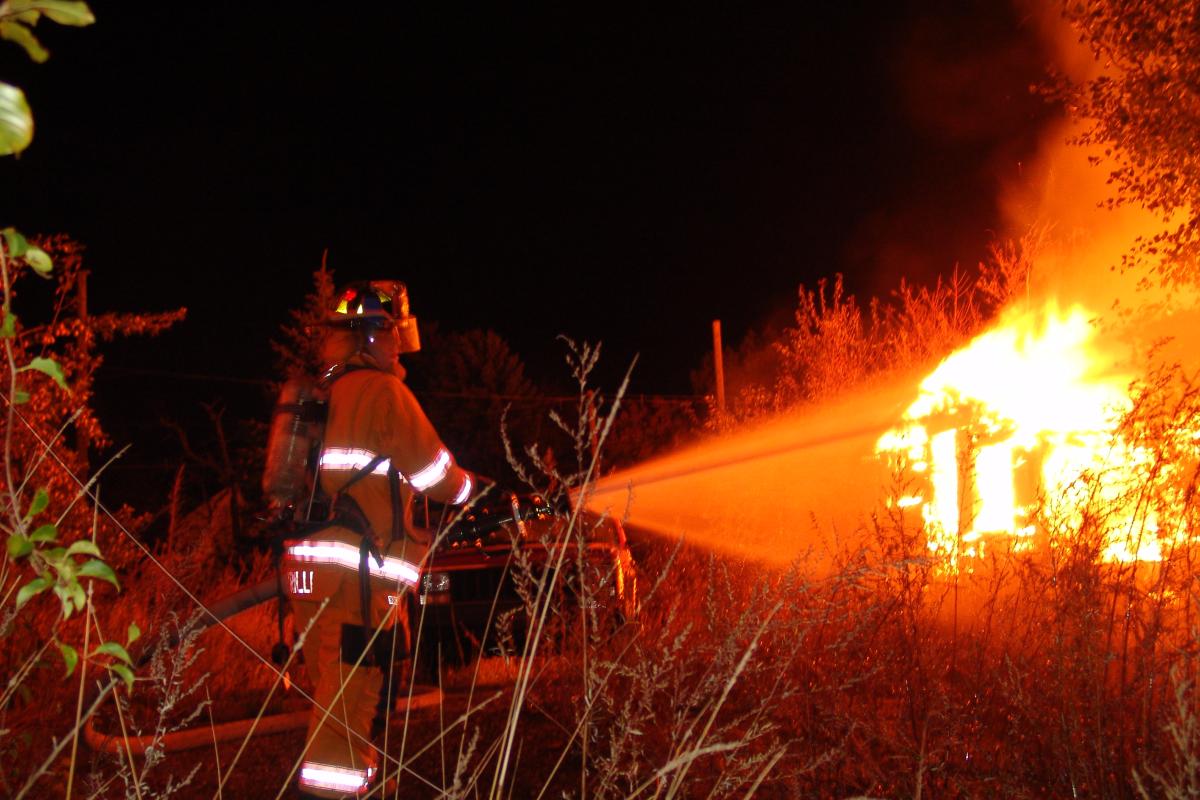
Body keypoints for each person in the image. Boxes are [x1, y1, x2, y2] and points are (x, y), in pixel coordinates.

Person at [280, 280, 477, 799]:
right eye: (393, 336)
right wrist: (467, 489)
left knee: (333, 688)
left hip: (307, 570)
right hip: (358, 575)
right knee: (354, 695)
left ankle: (345, 781)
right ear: (370, 335)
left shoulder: (324, 390)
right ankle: (333, 792)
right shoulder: (382, 392)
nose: (399, 349)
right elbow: (436, 473)